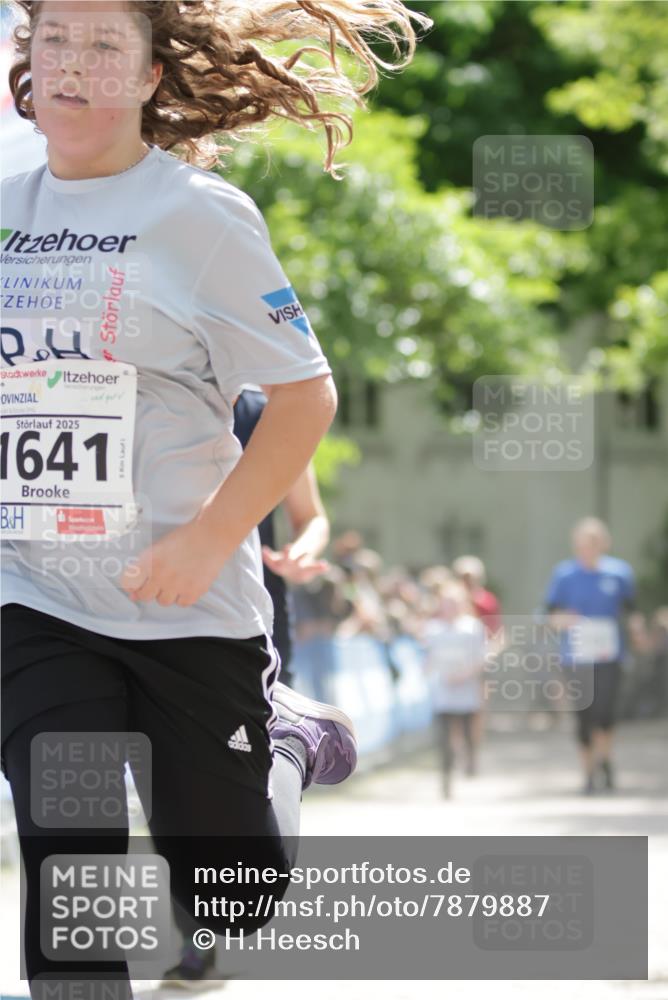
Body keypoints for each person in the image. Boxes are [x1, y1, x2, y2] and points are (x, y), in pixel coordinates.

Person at [0, 1, 430, 995]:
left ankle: (286, 742)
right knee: (69, 863)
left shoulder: (198, 217)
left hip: (186, 605)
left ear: (151, 75)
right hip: (37, 595)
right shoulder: (6, 207)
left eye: (104, 45)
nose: (72, 65)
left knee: (232, 898)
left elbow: (302, 395)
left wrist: (206, 538)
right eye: (54, 39)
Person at [162, 387, 331, 988]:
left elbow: (311, 517)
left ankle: (291, 744)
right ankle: (197, 942)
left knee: (232, 785)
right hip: (159, 608)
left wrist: (301, 553)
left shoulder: (267, 408)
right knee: (171, 777)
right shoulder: (150, 383)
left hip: (251, 618)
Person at [544, 517, 636, 794]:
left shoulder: (619, 573)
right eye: (583, 544)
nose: (588, 549)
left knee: (605, 711)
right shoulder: (564, 575)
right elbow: (549, 614)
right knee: (584, 713)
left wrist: (639, 634)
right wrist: (561, 620)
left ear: (604, 544)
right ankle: (588, 773)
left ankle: (605, 758)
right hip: (577, 656)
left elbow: (631, 612)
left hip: (609, 655)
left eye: (593, 543)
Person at [420, 580, 487, 797]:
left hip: (466, 692)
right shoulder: (433, 629)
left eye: (454, 603)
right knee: (444, 739)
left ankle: (470, 762)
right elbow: (428, 657)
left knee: (468, 735)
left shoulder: (472, 627)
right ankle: (446, 779)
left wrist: (464, 675)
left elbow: (481, 658)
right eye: (446, 603)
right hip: (443, 693)